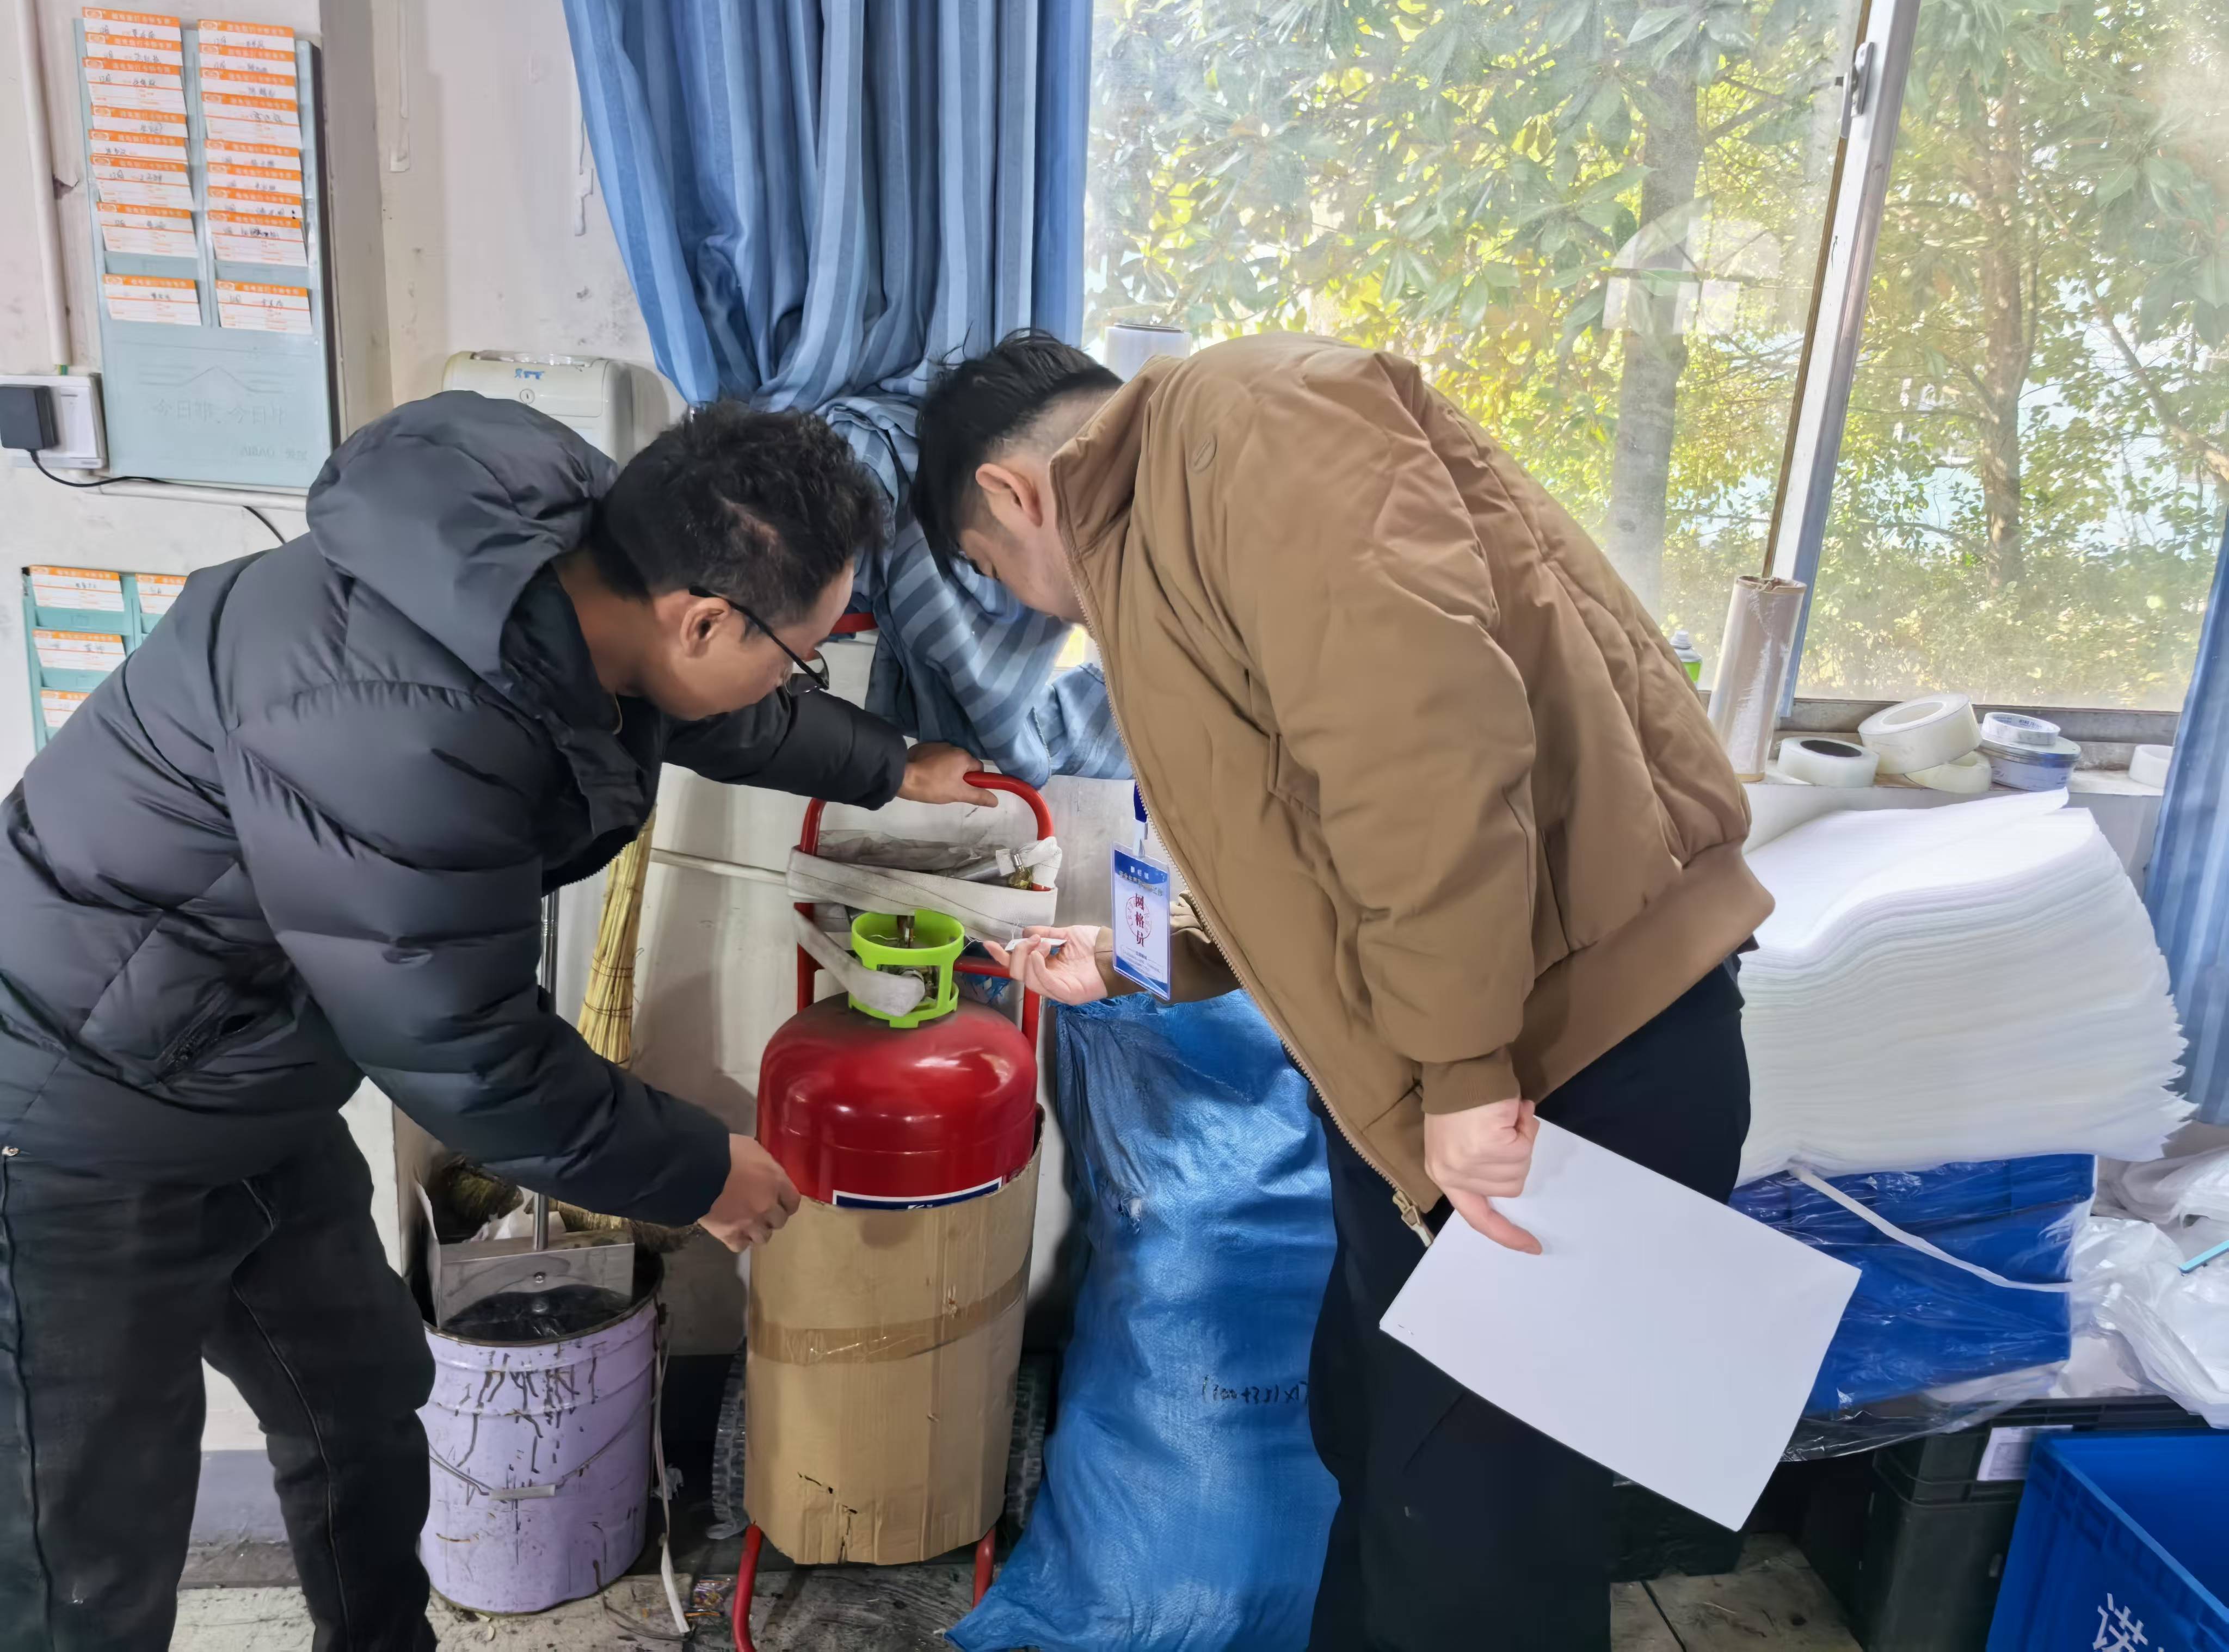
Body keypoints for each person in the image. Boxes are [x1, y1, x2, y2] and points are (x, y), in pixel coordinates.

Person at [0, 391, 993, 1652]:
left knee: (362, 1402)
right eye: (803, 652)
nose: (790, 671)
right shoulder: (399, 729)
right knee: (86, 1560)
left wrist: (886, 764)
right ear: (702, 616)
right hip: (69, 1118)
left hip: (239, 1082)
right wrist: (698, 1170)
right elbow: (468, 1053)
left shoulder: (567, 563)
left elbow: (700, 696)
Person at [916, 331, 1773, 1651]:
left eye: (994, 573)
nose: (1032, 610)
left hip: (1556, 1065)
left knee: (1477, 1552)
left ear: (1010, 494)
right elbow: (1304, 833)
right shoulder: (1176, 529)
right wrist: (1145, 954)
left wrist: (1468, 1071)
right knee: (1377, 1455)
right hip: (1450, 1077)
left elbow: (1425, 746)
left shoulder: (1245, 422)